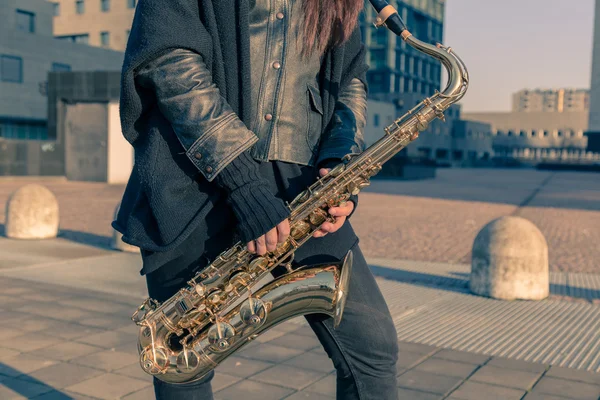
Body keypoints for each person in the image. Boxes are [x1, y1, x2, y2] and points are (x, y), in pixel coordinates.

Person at [112, 0, 399, 398]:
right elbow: (169, 60)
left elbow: (349, 80)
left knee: (373, 348)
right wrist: (244, 183)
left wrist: (340, 164)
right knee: (184, 365)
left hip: (305, 190)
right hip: (195, 176)